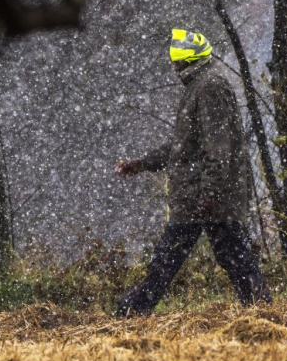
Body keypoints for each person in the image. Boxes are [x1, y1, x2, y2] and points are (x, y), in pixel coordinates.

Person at [115, 29, 271, 316]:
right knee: (226, 255)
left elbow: (217, 148)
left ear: (190, 61)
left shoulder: (209, 88)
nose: (175, 68)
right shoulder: (199, 87)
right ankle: (261, 308)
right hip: (199, 193)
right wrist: (142, 163)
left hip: (204, 195)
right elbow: (183, 146)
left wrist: (210, 193)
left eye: (178, 63)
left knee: (177, 257)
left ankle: (133, 310)